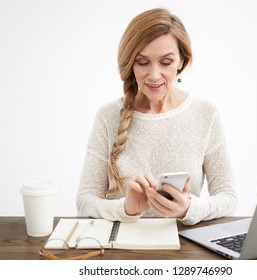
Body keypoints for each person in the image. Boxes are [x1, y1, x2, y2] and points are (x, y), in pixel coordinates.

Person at [76, 8, 237, 225]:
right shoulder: (108, 116)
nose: (153, 75)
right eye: (142, 62)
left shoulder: (205, 114)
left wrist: (189, 208)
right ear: (130, 63)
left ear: (181, 61)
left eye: (166, 62)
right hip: (122, 247)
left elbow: (228, 197)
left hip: (184, 248)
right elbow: (85, 200)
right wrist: (125, 209)